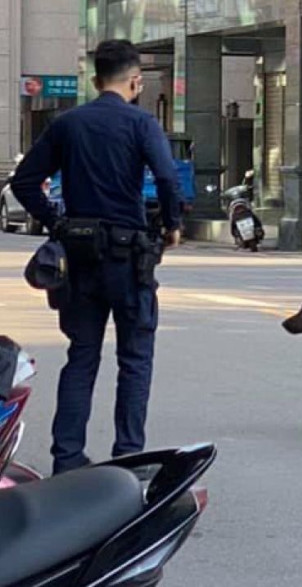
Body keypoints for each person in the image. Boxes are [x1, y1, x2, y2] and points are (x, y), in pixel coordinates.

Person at [10, 39, 182, 474]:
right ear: (136, 80)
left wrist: (57, 223)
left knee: (82, 355)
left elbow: (25, 181)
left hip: (79, 257)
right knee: (135, 358)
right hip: (130, 258)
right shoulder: (142, 124)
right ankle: (129, 457)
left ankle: (67, 459)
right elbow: (165, 175)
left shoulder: (69, 124)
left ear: (94, 79)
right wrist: (171, 225)